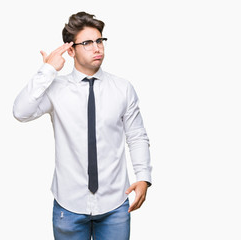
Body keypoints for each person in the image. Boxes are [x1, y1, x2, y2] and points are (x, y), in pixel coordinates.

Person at [13, 11, 152, 240]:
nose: (97, 48)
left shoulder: (123, 88)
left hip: (115, 204)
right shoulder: (55, 88)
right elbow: (20, 112)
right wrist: (47, 70)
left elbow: (136, 135)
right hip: (68, 205)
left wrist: (143, 177)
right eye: (87, 43)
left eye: (99, 41)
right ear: (71, 50)